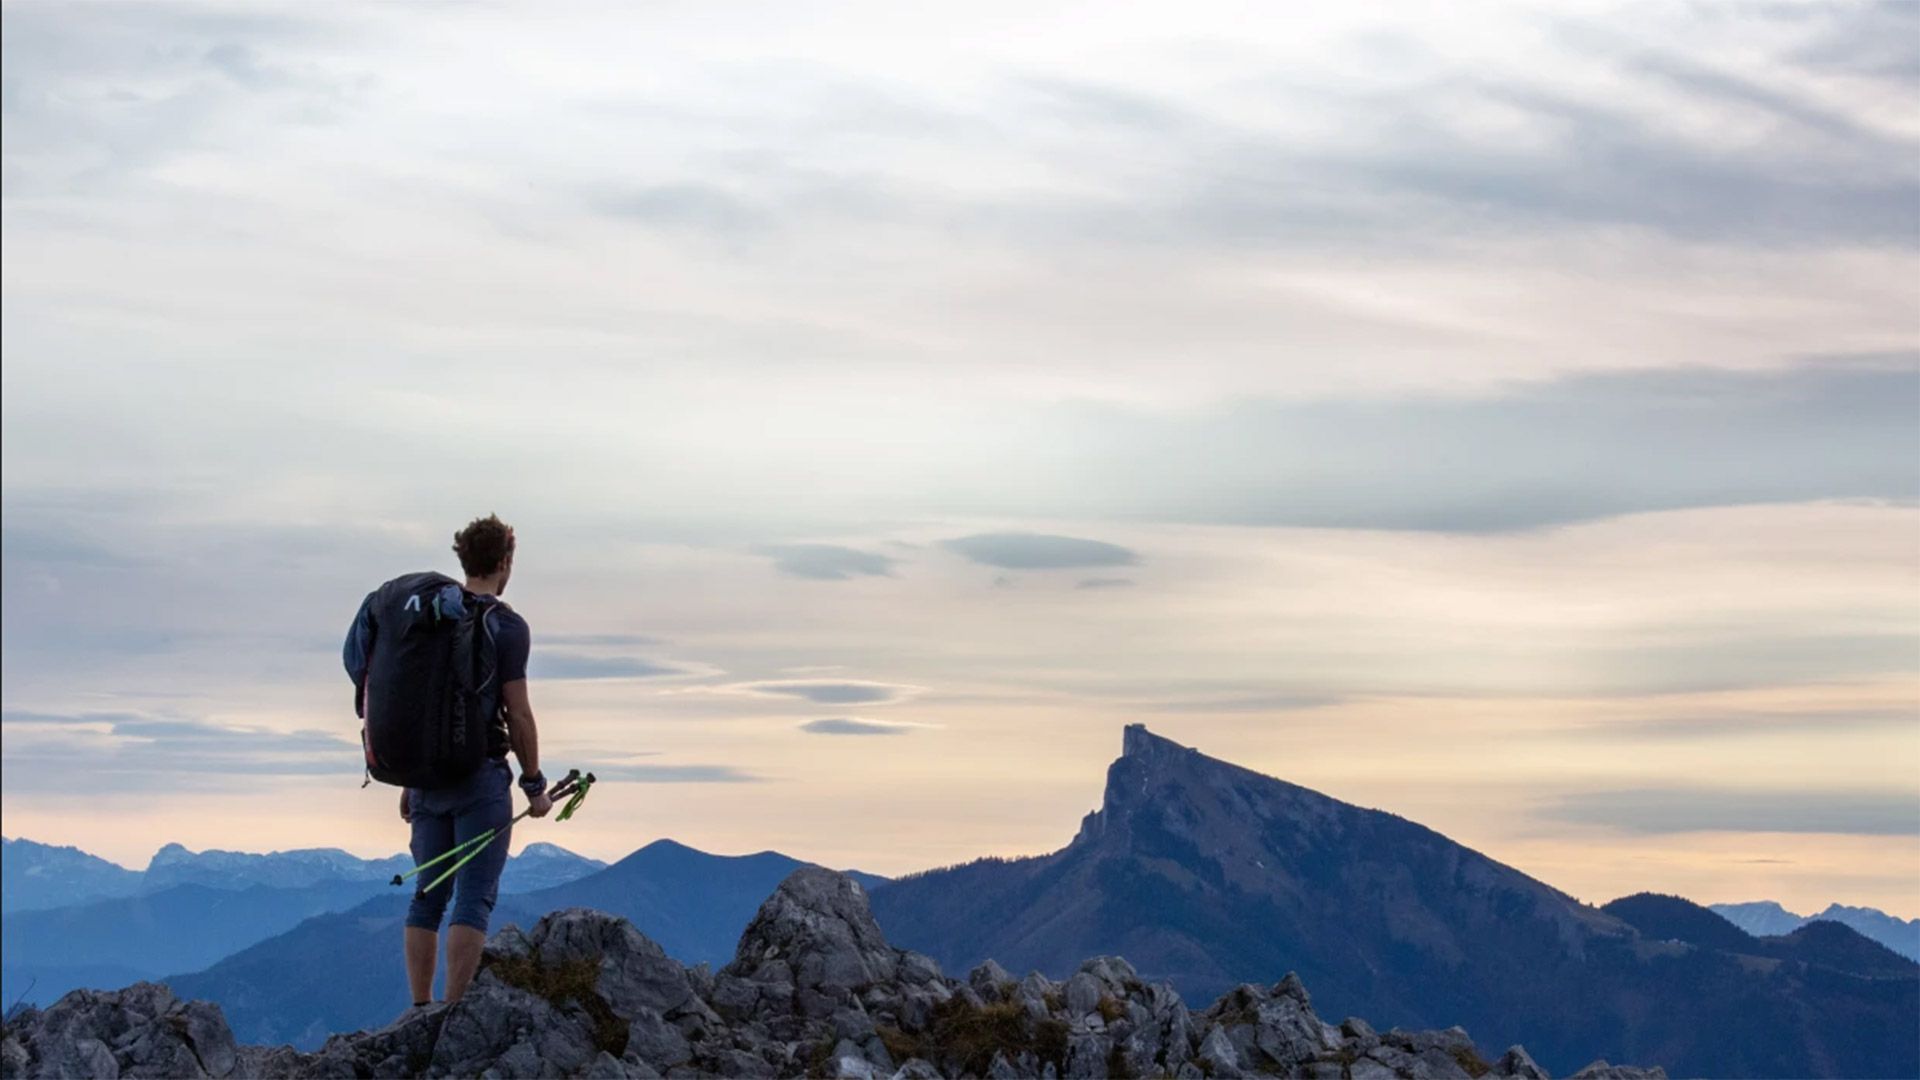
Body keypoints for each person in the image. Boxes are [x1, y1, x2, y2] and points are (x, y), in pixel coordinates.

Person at [345, 514, 552, 1006]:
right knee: (474, 898)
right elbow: (518, 714)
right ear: (505, 561)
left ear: (462, 559)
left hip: (424, 783)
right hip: (477, 781)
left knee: (427, 896)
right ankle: (453, 1016)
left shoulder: (431, 620)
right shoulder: (504, 626)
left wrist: (408, 780)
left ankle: (420, 1008)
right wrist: (534, 786)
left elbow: (424, 704)